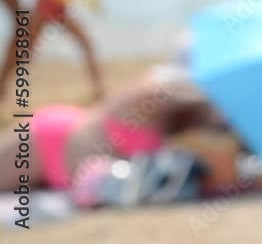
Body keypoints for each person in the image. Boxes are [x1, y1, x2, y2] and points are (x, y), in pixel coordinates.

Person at [0, 66, 224, 192]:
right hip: (50, 141)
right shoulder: (152, 95)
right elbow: (180, 92)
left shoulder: (184, 126)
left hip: (61, 166)